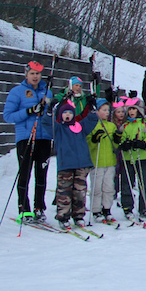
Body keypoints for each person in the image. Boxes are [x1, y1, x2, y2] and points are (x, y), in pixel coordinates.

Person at [3, 60, 54, 223]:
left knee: (42, 174)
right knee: (25, 173)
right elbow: (8, 116)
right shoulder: (17, 92)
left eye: (38, 73)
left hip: (44, 138)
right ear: (26, 74)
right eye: (32, 73)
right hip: (26, 137)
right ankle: (24, 208)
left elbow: (51, 115)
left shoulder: (48, 92)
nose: (35, 76)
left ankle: (39, 208)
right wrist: (29, 111)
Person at [52, 97, 99, 227]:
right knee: (64, 192)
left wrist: (92, 110)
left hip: (81, 164)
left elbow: (91, 120)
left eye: (70, 113)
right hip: (66, 165)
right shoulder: (59, 129)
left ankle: (78, 215)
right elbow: (46, 124)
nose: (68, 115)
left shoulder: (79, 127)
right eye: (65, 113)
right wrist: (49, 111)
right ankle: (63, 216)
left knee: (79, 192)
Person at [116, 97, 146, 221]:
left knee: (143, 183)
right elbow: (119, 138)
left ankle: (144, 207)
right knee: (127, 183)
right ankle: (127, 207)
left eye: (134, 109)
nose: (131, 112)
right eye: (129, 109)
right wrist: (123, 144)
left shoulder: (145, 123)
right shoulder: (125, 125)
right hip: (128, 159)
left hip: (142, 158)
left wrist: (143, 143)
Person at [87, 99, 118, 223]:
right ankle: (96, 210)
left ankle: (107, 208)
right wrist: (94, 139)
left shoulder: (111, 125)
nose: (107, 112)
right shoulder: (92, 125)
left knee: (109, 187)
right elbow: (88, 143)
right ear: (97, 111)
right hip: (97, 161)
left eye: (108, 110)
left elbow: (115, 144)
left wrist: (118, 138)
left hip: (110, 161)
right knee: (97, 187)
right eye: (104, 110)